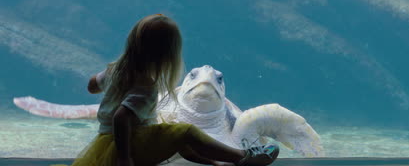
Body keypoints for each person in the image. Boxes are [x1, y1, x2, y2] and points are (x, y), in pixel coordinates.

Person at [71, 13, 280, 166]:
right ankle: (242, 157)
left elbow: (92, 85)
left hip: (106, 141)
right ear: (168, 58)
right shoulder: (147, 87)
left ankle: (219, 163)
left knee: (178, 137)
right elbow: (121, 117)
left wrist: (107, 87)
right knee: (185, 131)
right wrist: (125, 158)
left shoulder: (114, 71)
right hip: (131, 145)